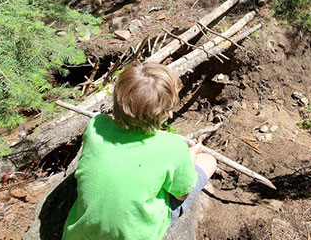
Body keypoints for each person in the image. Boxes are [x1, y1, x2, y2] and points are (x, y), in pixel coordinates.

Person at [62, 63, 217, 240]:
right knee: (208, 161)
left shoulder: (96, 125)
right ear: (168, 114)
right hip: (138, 234)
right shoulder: (173, 146)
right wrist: (190, 156)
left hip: (80, 235)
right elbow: (182, 194)